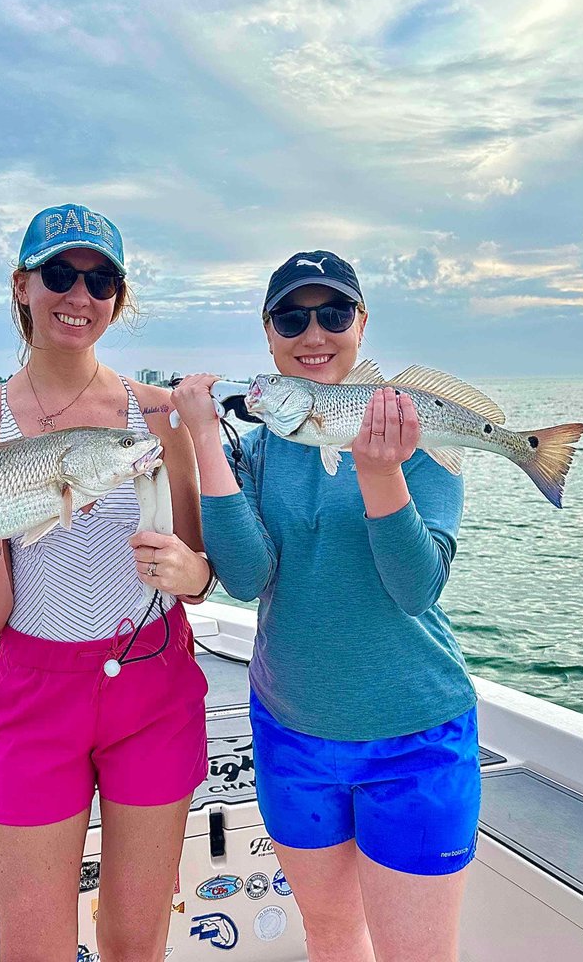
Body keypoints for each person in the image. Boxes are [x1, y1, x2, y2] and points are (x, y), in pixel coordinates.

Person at [0, 204, 216, 962]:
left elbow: (205, 571)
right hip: (35, 692)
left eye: (100, 279)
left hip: (154, 681)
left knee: (134, 939)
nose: (80, 296)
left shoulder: (160, 415)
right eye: (60, 274)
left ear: (118, 297)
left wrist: (193, 574)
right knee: (31, 946)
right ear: (21, 285)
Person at [172, 250, 479, 962]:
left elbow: (416, 588)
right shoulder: (256, 449)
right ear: (269, 333)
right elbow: (245, 578)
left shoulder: (416, 435)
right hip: (293, 732)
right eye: (292, 316)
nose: (313, 333)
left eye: (333, 313)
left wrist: (380, 472)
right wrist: (202, 446)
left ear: (360, 323)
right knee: (332, 937)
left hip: (415, 733)